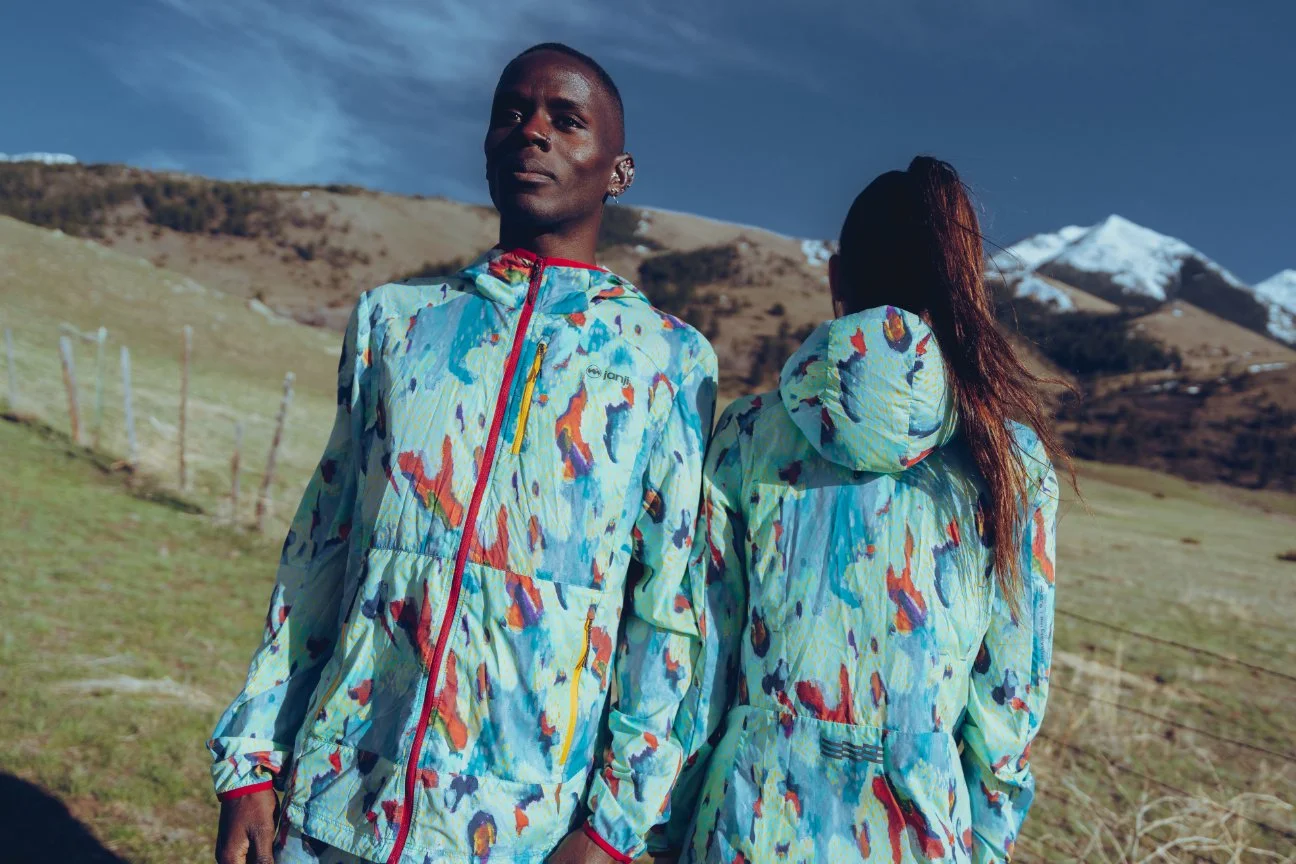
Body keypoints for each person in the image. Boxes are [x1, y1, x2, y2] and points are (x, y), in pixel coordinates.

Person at [210, 43, 718, 864]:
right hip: (337, 805)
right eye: (511, 113)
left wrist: (612, 829)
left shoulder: (666, 361)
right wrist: (251, 760)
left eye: (566, 119)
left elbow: (667, 611)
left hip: (523, 832)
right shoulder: (396, 323)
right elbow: (321, 548)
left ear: (618, 171)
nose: (532, 133)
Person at [662, 157, 1070, 863]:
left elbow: (699, 659)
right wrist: (988, 843)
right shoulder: (1011, 462)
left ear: (835, 277)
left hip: (743, 824)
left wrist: (667, 829)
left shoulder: (748, 434)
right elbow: (1010, 698)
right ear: (963, 287)